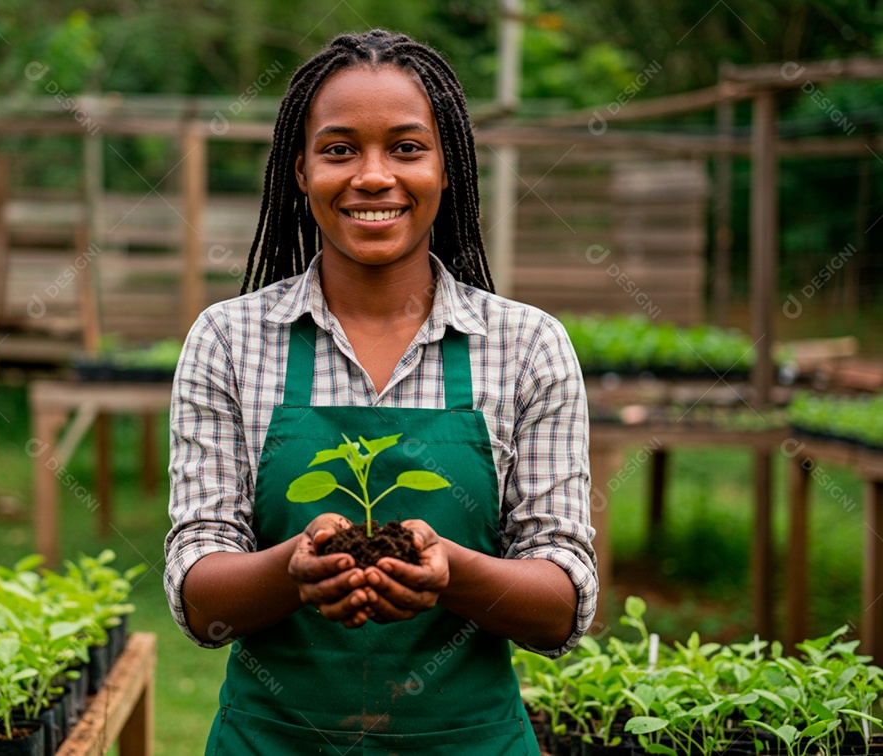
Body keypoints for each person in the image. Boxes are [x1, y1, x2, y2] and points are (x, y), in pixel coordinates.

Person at [165, 29, 596, 754]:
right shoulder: (228, 341)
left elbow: (560, 605)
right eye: (339, 150)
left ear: (447, 167)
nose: (372, 176)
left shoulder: (527, 347)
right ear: (298, 170)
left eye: (405, 147)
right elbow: (197, 590)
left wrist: (452, 572)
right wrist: (292, 569)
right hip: (273, 741)